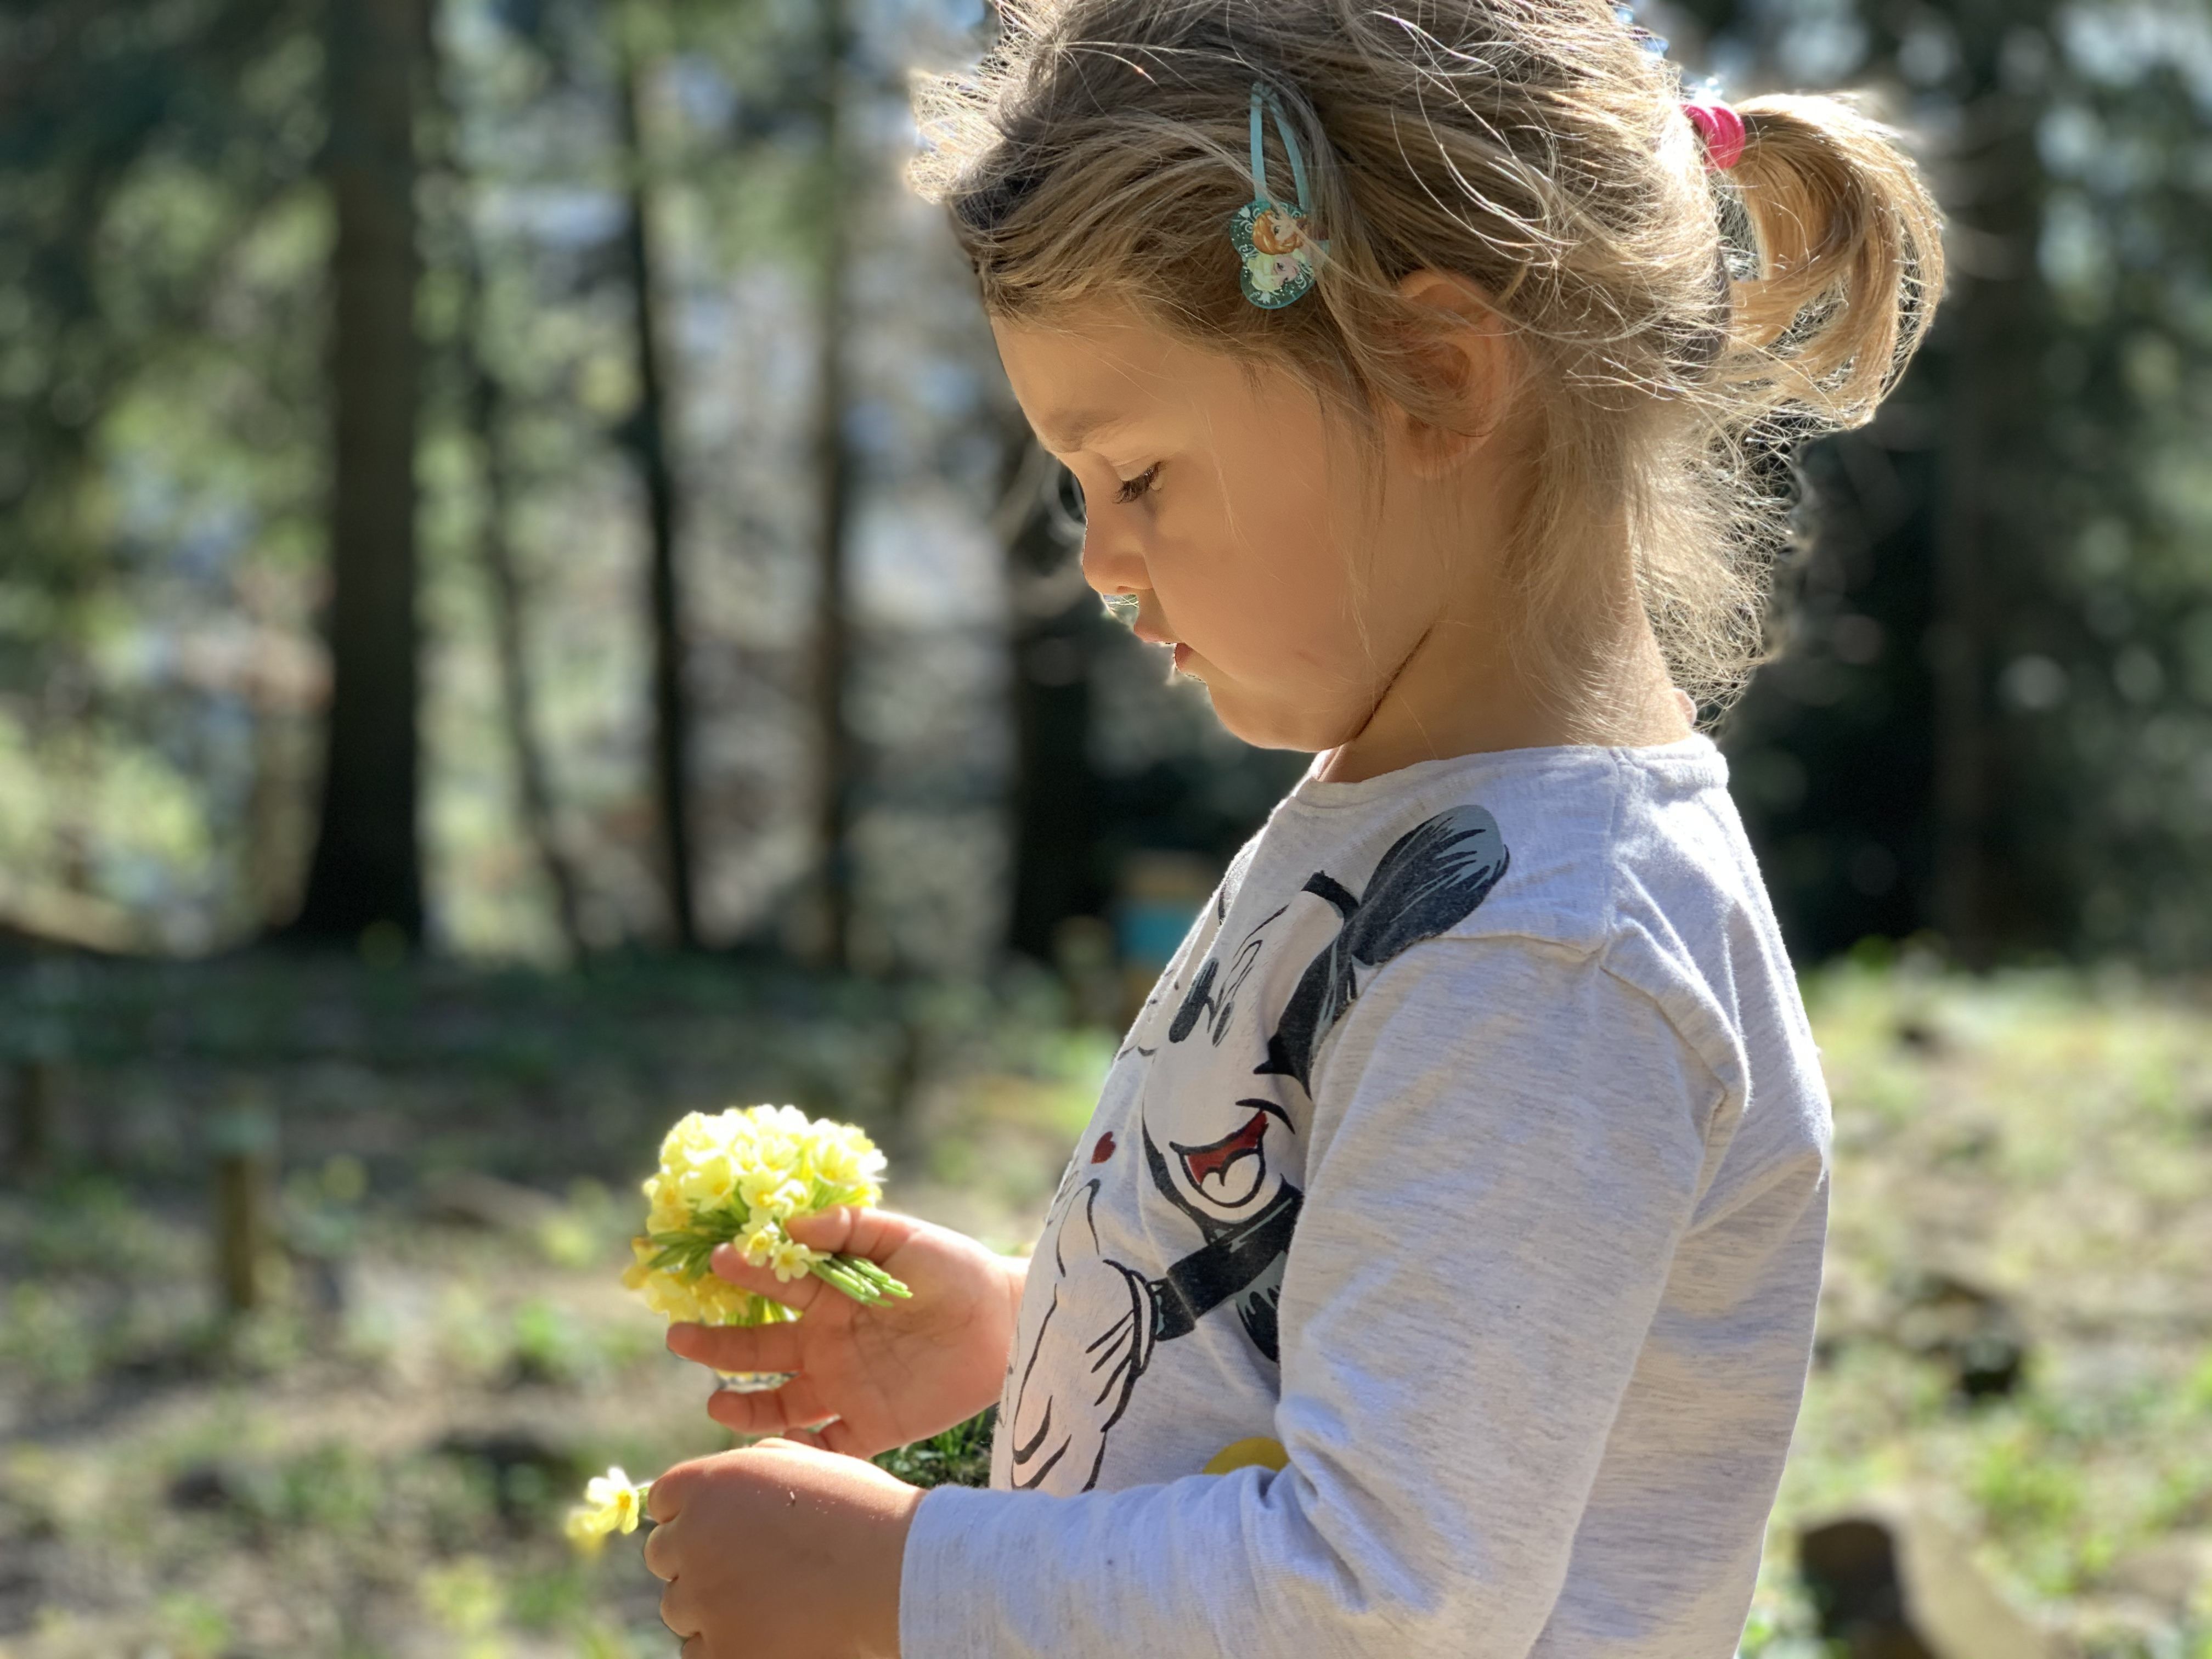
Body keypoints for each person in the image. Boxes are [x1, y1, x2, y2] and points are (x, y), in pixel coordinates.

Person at [641, 1, 1944, 1654]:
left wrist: (914, 1586)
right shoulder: (1410, 819)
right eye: (1078, 489)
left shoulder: (1548, 959)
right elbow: (1320, 1359)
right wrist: (1033, 1345)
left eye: (1141, 475)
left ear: (1434, 375)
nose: (1103, 560)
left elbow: (1386, 1594)